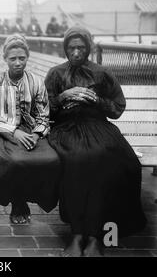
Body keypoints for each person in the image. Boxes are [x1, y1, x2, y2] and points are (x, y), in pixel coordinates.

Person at [44, 26, 146, 257]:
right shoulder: (56, 73)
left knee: (120, 162)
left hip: (97, 126)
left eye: (81, 47)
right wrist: (62, 97)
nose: (76, 52)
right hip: (67, 128)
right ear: (65, 49)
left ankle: (96, 235)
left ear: (88, 48)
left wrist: (97, 100)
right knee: (79, 160)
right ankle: (78, 233)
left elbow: (117, 107)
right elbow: (43, 110)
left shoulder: (101, 73)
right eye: (71, 48)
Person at [0, 34, 61, 224]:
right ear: (4, 59)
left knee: (51, 159)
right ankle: (17, 202)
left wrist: (37, 135)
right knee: (14, 160)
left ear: (27, 58)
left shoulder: (36, 82)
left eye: (22, 58)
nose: (18, 63)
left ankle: (33, 198)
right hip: (3, 131)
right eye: (13, 59)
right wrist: (14, 132)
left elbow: (43, 114)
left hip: (31, 131)